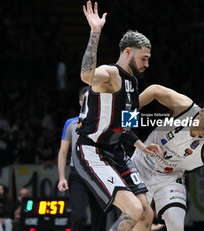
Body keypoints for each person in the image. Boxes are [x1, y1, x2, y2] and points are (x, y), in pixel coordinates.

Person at [74, 2, 162, 231]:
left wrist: (141, 145)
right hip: (93, 150)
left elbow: (126, 125)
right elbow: (86, 75)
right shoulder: (110, 74)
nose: (147, 64)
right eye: (144, 58)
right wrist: (95, 32)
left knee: (146, 213)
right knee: (133, 210)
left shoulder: (132, 82)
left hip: (117, 152)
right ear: (127, 52)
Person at [131, 84, 204, 231]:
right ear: (202, 111)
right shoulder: (185, 107)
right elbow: (154, 90)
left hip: (170, 178)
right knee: (137, 219)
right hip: (141, 164)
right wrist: (127, 117)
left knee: (176, 224)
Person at [58, 87, 106, 231]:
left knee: (100, 217)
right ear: (80, 102)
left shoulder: (103, 122)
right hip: (77, 174)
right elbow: (63, 152)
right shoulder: (71, 123)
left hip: (98, 174)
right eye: (87, 99)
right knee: (78, 216)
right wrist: (61, 177)